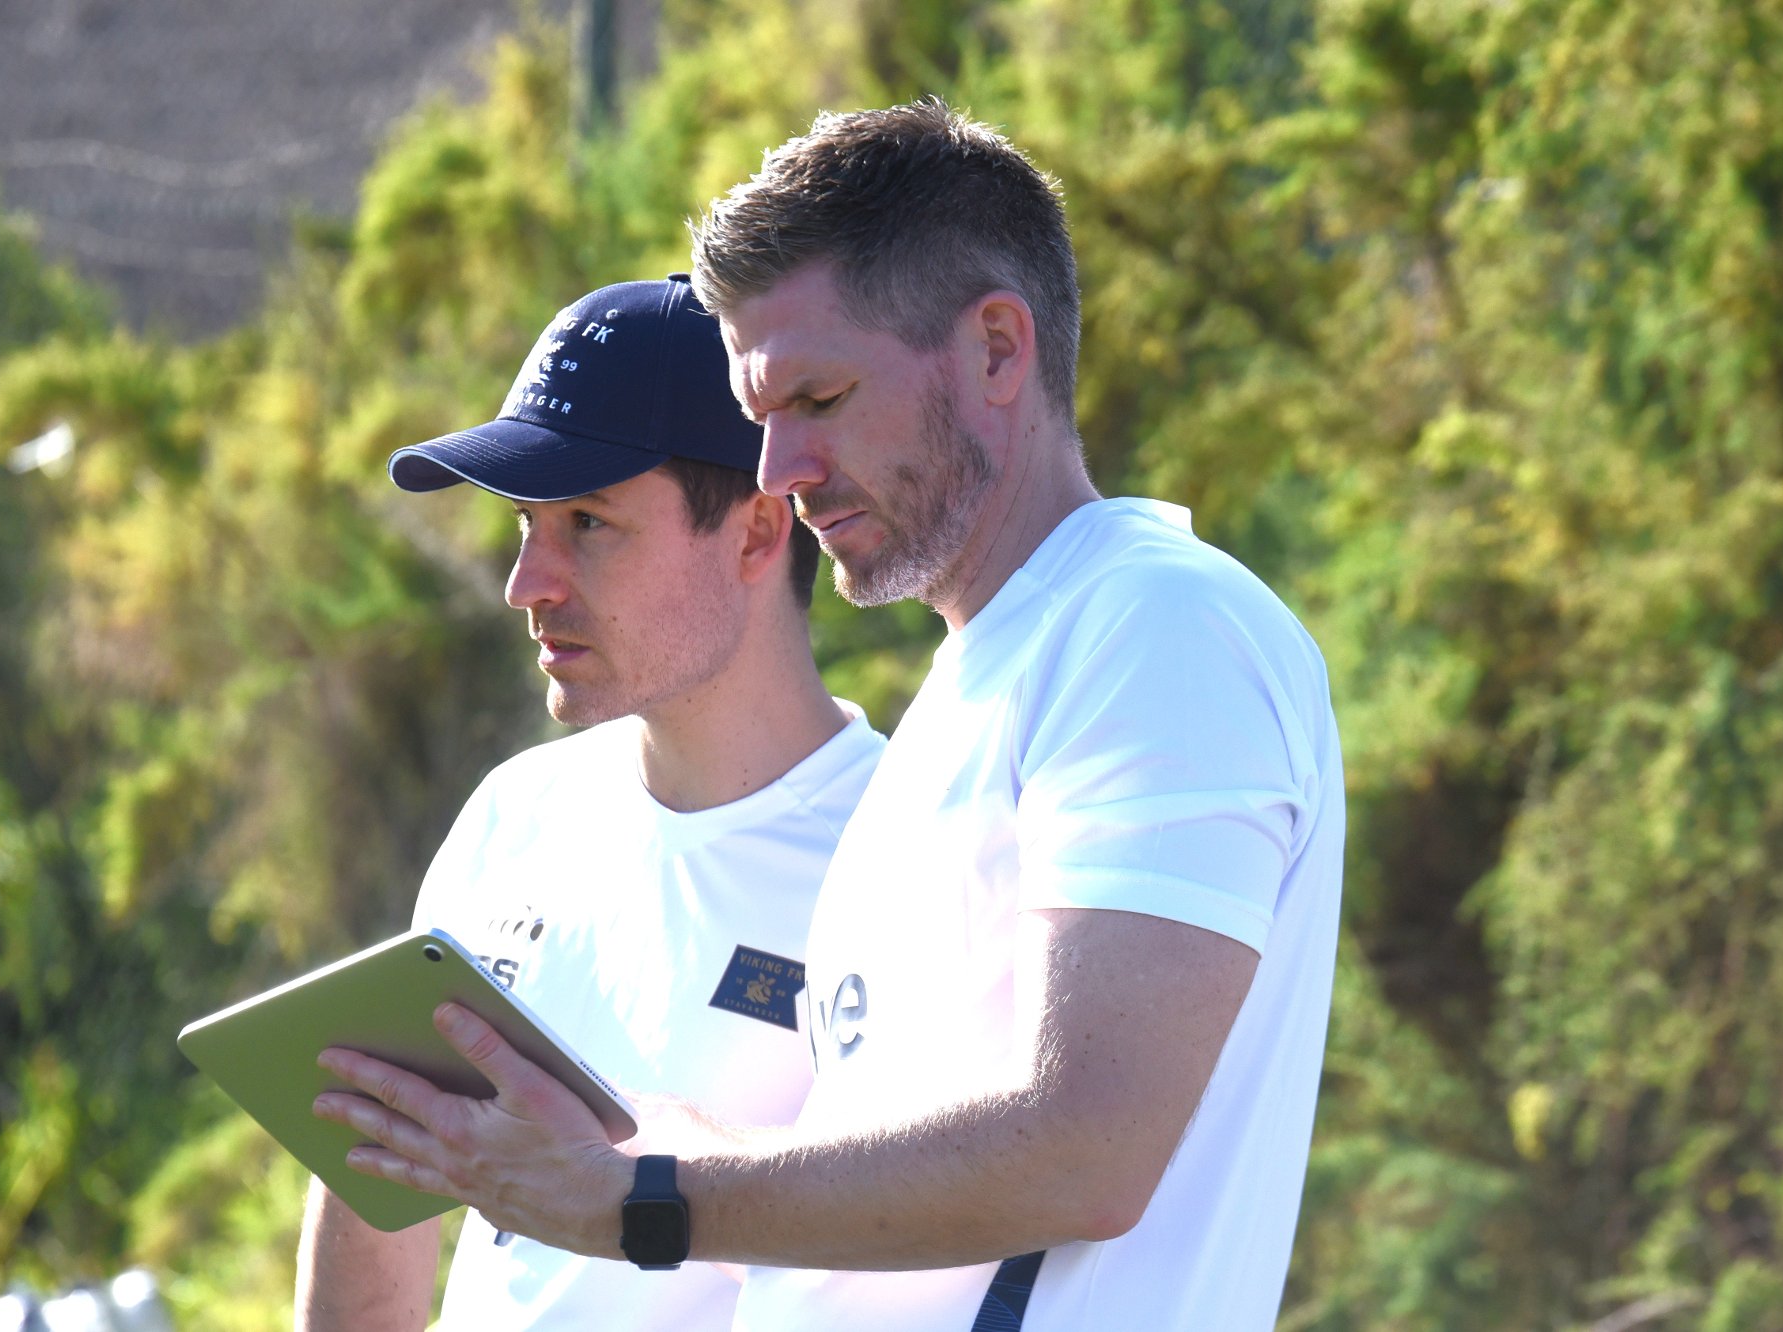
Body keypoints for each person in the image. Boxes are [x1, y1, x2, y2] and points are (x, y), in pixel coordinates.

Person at [315, 100, 1345, 1332]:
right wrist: (665, 1166)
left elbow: (1088, 1150)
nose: (779, 471)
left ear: (999, 351)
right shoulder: (973, 693)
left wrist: (648, 1194)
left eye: (820, 396)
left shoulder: (1154, 620)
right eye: (762, 421)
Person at [295, 276, 884, 1332]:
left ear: (757, 533)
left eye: (588, 522)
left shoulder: (904, 851)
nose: (528, 582)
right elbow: (378, 1172)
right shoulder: (515, 812)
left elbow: (932, 1251)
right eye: (526, 523)